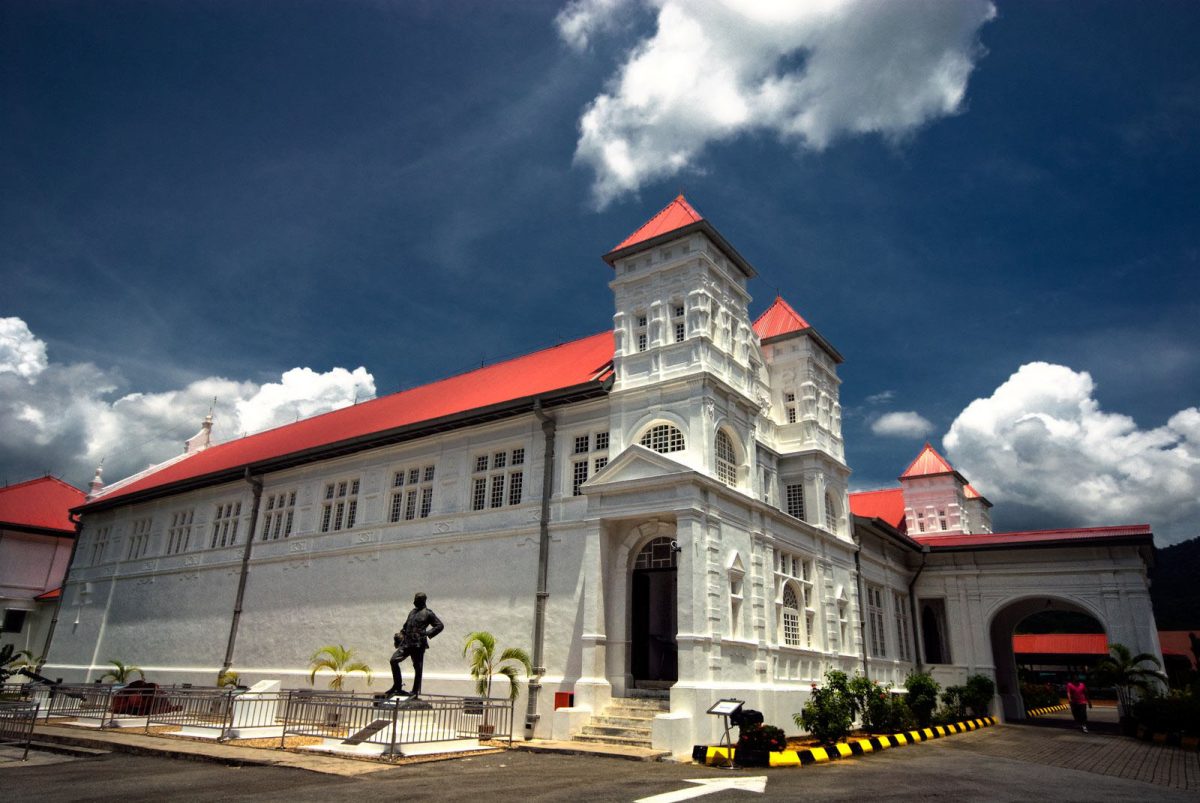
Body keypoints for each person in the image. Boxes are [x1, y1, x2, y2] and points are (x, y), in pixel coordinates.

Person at [384, 592, 443, 698]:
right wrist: (400, 634)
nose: (414, 602)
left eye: (416, 600)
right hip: (406, 643)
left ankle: (415, 692)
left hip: (418, 644)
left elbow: (439, 625)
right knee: (393, 660)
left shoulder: (428, 613)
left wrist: (427, 634)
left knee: (418, 667)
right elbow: (406, 626)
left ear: (422, 600)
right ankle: (397, 687)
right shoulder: (412, 612)